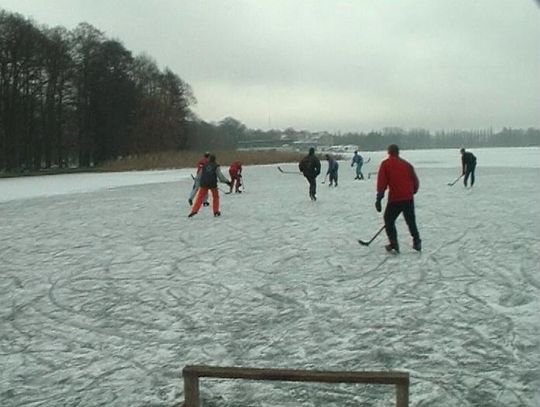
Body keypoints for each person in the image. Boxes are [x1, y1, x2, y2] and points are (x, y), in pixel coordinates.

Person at [375, 144, 421, 253]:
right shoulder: (407, 165)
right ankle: (417, 241)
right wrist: (411, 191)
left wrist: (379, 198)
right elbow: (415, 182)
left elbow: (382, 183)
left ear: (389, 152)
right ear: (398, 152)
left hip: (395, 198)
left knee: (388, 220)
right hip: (408, 198)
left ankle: (394, 243)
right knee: (411, 221)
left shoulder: (386, 164)